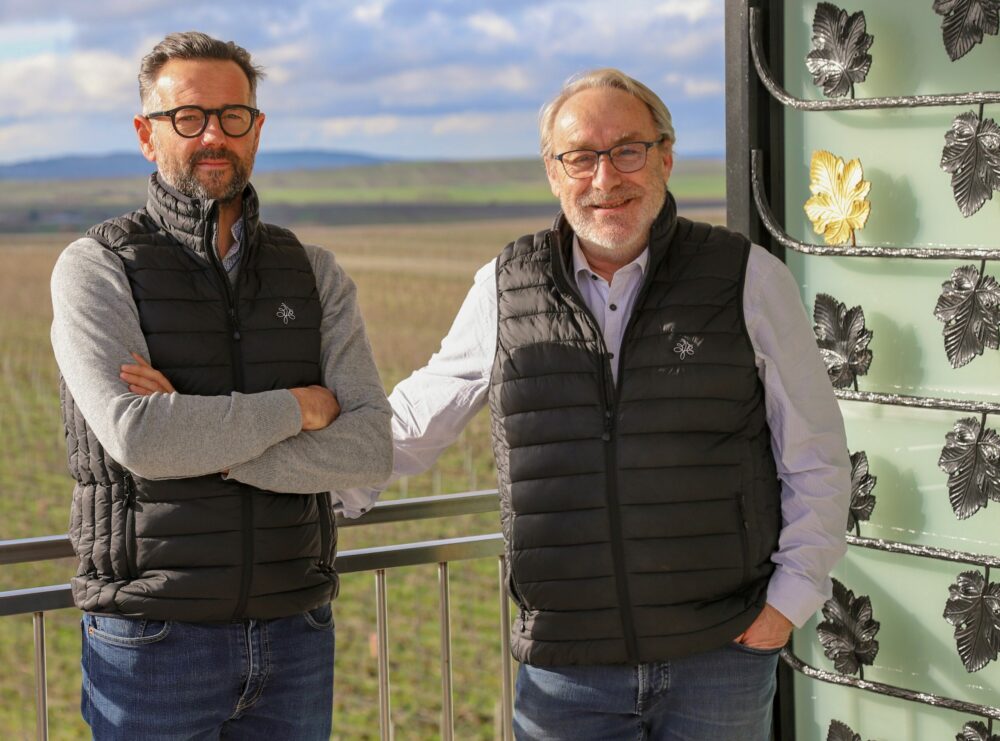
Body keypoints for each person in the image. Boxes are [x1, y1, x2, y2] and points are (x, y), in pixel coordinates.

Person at [346, 68, 851, 739]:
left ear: (666, 156)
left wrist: (786, 605)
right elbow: (413, 424)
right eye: (580, 157)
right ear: (553, 173)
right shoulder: (505, 284)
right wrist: (290, 479)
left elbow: (816, 454)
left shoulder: (745, 277)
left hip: (719, 656)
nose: (605, 179)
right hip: (567, 670)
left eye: (627, 151)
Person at [50, 31, 392, 740]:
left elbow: (367, 448)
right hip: (153, 641)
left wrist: (201, 434)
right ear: (147, 135)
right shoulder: (97, 267)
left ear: (257, 129)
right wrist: (299, 407)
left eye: (232, 116)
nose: (213, 134)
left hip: (295, 630)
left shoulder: (313, 271)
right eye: (188, 117)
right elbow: (141, 439)